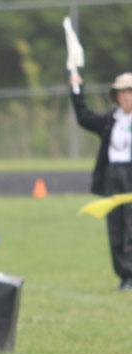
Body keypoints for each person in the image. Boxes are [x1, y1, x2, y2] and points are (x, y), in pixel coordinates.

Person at [71, 72, 132, 290]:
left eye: (130, 92)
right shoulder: (110, 121)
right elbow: (84, 117)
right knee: (116, 228)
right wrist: (77, 90)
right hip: (113, 176)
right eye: (122, 92)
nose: (126, 97)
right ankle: (125, 276)